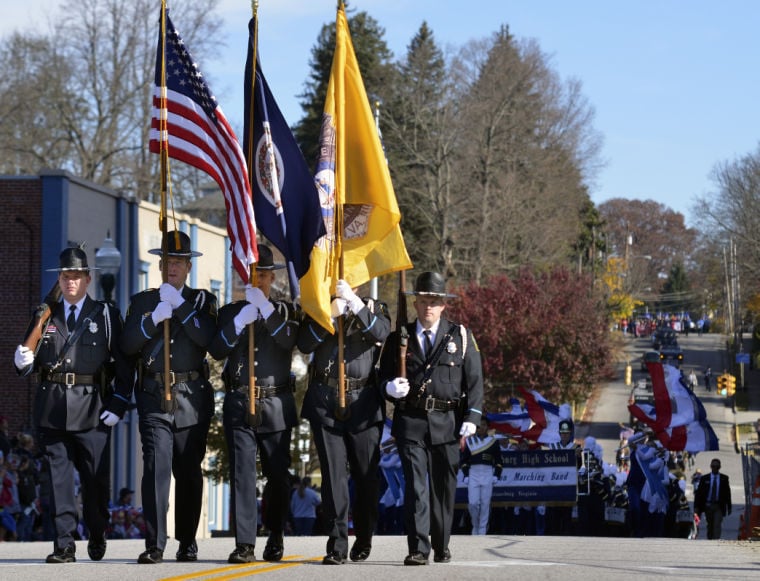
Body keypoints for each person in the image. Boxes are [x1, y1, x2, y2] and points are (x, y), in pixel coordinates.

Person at [13, 246, 132, 563]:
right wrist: (21, 360)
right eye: (66, 276)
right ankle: (64, 544)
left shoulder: (105, 315)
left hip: (93, 410)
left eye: (76, 276)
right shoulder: (45, 314)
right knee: (58, 482)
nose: (70, 282)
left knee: (95, 483)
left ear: (88, 279)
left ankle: (96, 529)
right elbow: (27, 360)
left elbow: (123, 367)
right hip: (53, 408)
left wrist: (119, 403)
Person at [120, 230, 217, 564]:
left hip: (191, 397)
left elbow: (209, 342)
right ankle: (155, 543)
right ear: (160, 264)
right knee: (155, 467)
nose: (173, 267)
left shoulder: (203, 300)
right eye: (168, 261)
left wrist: (181, 308)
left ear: (188, 267)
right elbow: (128, 345)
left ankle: (187, 540)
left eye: (179, 262)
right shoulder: (142, 302)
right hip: (152, 396)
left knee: (189, 471)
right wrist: (153, 321)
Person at [378, 271, 484, 565]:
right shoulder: (399, 337)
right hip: (411, 421)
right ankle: (418, 548)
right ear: (415, 303)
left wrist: (472, 417)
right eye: (424, 300)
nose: (428, 307)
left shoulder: (460, 336)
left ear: (443, 305)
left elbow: (474, 381)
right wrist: (389, 387)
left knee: (443, 488)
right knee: (416, 486)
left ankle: (441, 542)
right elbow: (382, 378)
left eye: (434, 301)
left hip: (448, 421)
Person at [208, 245, 300, 564]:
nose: (259, 280)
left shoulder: (285, 311)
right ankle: (245, 542)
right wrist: (237, 326)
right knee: (243, 474)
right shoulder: (231, 312)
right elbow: (217, 350)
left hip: (275, 401)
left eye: (263, 274)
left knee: (277, 475)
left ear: (272, 277)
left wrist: (266, 311)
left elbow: (289, 341)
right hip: (240, 400)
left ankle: (274, 533)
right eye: (253, 274)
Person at [297, 279, 390, 565]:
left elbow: (382, 332)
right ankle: (337, 542)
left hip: (363, 401)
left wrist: (356, 305)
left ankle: (363, 536)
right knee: (333, 476)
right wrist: (329, 315)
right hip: (326, 399)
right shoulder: (319, 309)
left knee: (366, 477)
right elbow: (304, 343)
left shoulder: (375, 307)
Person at [459, 418, 501, 535]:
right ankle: (475, 525)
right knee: (473, 503)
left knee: (485, 503)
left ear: (487, 427)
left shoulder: (493, 442)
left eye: (483, 425)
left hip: (487, 472)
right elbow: (463, 461)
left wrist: (496, 475)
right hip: (473, 473)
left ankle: (482, 528)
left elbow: (498, 462)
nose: (481, 428)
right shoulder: (469, 442)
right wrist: (466, 474)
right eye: (478, 426)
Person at [693, 458, 731, 539]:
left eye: (717, 466)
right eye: (713, 466)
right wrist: (696, 507)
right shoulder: (704, 478)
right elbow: (698, 494)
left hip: (719, 506)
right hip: (708, 505)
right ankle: (710, 539)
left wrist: (729, 506)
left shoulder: (724, 478)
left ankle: (716, 540)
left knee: (717, 524)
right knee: (710, 525)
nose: (715, 468)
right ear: (710, 466)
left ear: (719, 467)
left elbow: (728, 493)